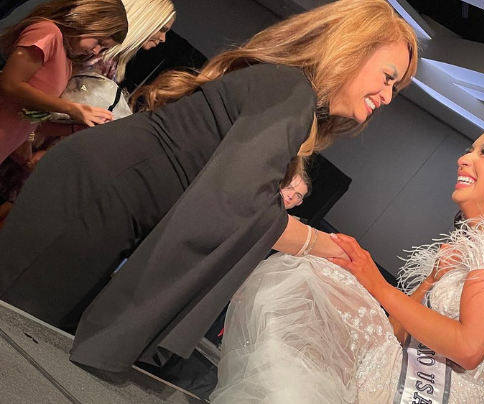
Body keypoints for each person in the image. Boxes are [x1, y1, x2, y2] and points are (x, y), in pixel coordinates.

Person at [0, 0, 418, 373]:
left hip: (105, 195)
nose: (386, 96)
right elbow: (237, 204)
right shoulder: (290, 93)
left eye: (394, 89)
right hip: (96, 194)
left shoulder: (289, 92)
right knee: (16, 334)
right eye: (386, 77)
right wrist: (326, 244)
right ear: (350, 49)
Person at [211, 111, 484, 403]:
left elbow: (468, 349)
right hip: (394, 382)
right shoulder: (477, 243)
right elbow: (395, 333)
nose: (464, 159)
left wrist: (374, 282)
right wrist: (431, 281)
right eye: (470, 149)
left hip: (429, 395)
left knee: (316, 276)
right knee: (315, 275)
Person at [0, 0, 176, 223]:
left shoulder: (83, 61)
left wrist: (73, 126)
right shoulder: (56, 38)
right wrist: (68, 112)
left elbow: (38, 116)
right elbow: (14, 86)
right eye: (162, 29)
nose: (163, 39)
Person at [0, 0, 129, 164]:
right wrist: (72, 108)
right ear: (87, 20)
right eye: (99, 42)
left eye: (104, 49)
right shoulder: (48, 32)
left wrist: (77, 127)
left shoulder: (67, 63)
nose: (96, 51)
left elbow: (36, 121)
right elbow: (9, 84)